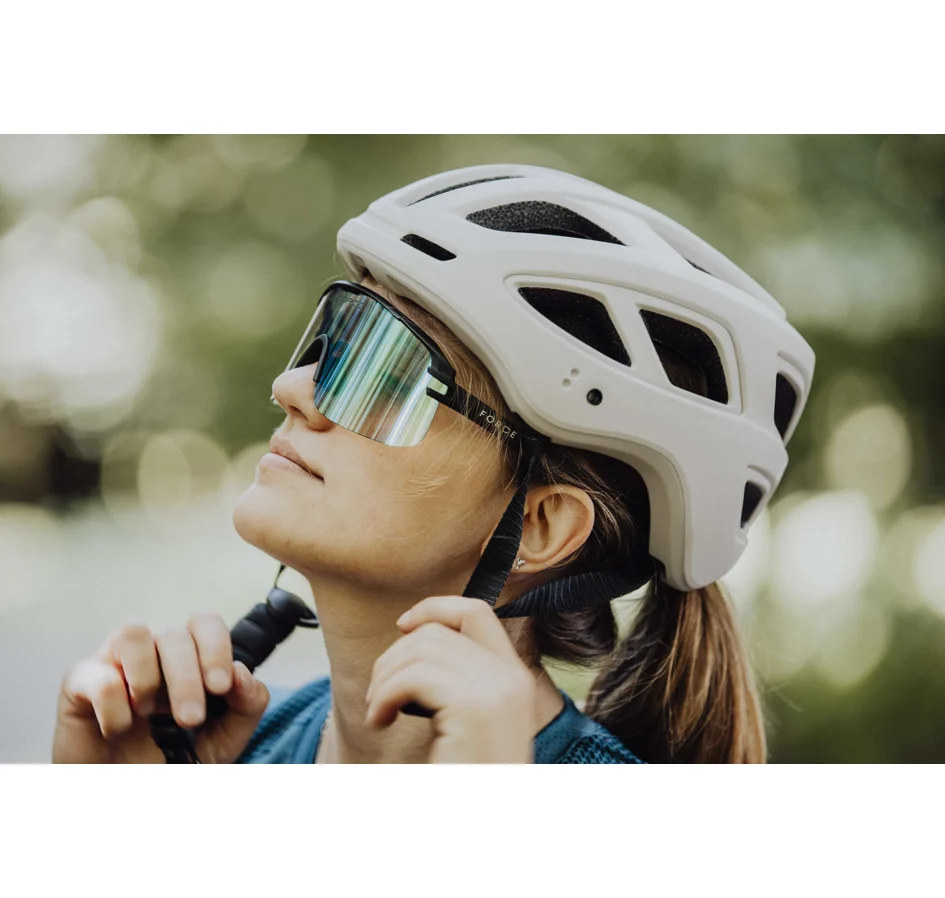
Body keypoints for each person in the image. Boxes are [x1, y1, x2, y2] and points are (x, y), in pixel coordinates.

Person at [52, 163, 815, 764]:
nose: (292, 388)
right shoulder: (221, 751)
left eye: (383, 373)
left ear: (541, 524)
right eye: (332, 338)